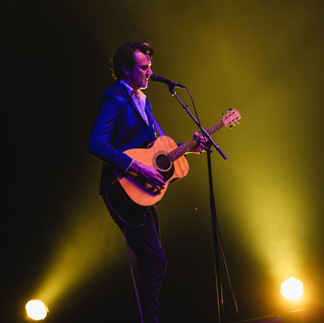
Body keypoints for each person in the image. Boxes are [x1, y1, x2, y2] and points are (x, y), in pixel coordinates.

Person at [88, 42, 205, 323]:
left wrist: (187, 146)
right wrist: (137, 169)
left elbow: (155, 149)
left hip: (141, 191)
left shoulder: (143, 100)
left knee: (154, 264)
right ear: (126, 69)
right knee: (155, 263)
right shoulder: (114, 97)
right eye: (144, 67)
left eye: (150, 66)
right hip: (121, 188)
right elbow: (96, 144)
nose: (150, 71)